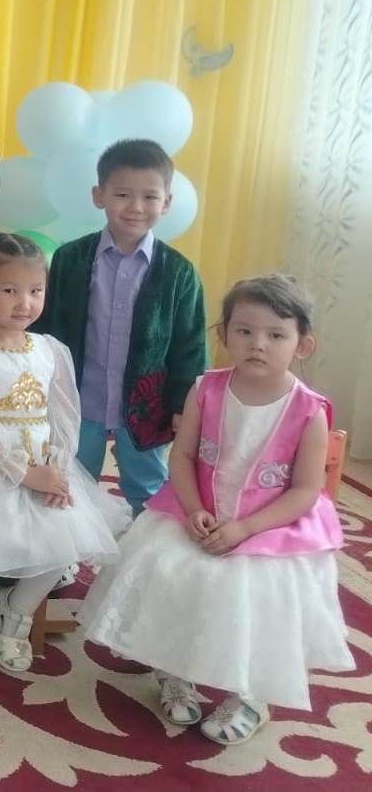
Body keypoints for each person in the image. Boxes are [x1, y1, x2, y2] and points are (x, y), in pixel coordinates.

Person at [81, 275, 351, 746]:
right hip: (199, 508)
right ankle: (174, 668)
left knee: (251, 592)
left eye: (275, 335)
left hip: (270, 526)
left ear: (303, 345)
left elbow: (306, 490)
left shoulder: (308, 411)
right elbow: (183, 457)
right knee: (168, 569)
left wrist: (245, 528)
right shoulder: (206, 389)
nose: (257, 344)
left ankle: (251, 695)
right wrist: (192, 510)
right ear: (224, 335)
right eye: (244, 331)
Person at [0, 234, 129, 674]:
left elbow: (65, 415)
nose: (24, 303)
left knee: (63, 544)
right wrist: (22, 473)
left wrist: (57, 469)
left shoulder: (50, 350)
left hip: (44, 468)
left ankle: (16, 610)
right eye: (9, 290)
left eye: (35, 291)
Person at [36, 139, 208, 517]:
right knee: (70, 482)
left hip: (147, 409)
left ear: (167, 202)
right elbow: (48, 329)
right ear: (99, 196)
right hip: (79, 401)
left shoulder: (179, 272)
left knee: (148, 489)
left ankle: (142, 546)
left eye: (150, 197)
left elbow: (190, 348)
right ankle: (70, 548)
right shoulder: (69, 258)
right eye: (122, 194)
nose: (136, 207)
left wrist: (183, 407)